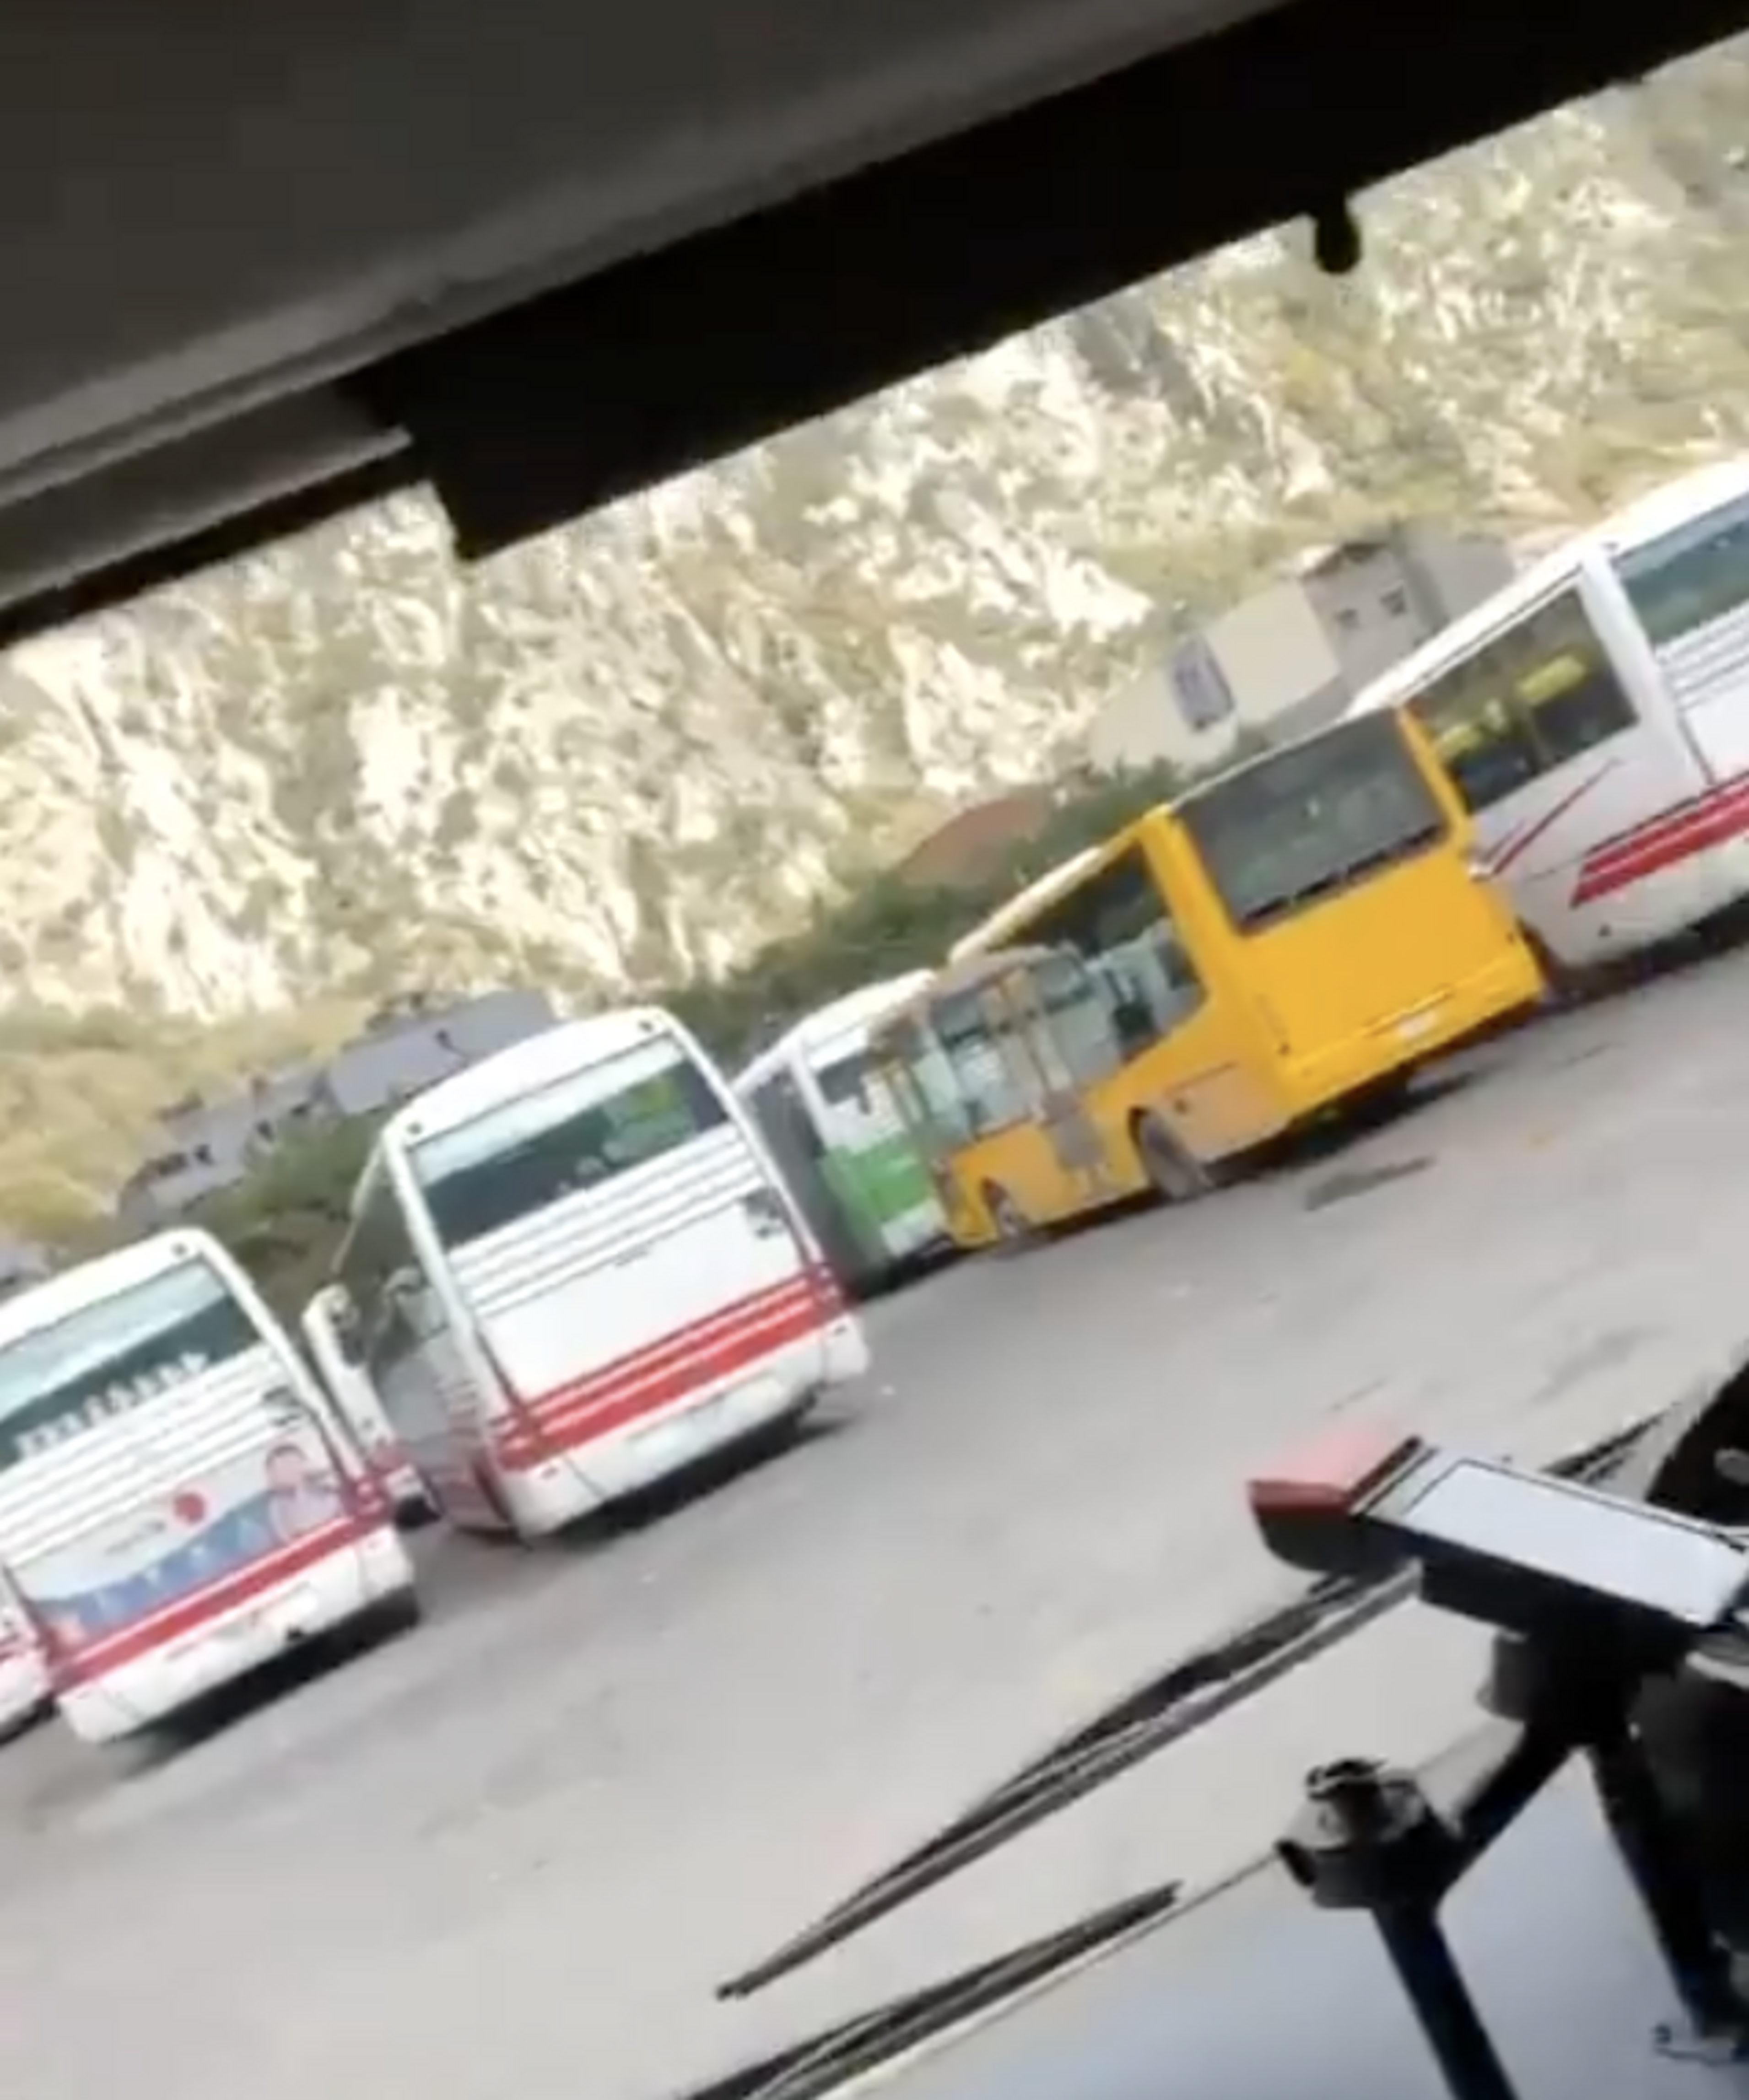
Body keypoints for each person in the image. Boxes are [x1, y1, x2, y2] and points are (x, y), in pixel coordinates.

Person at [263, 1441, 341, 1542]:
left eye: (292, 1466)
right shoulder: (277, 1506)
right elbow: (290, 1541)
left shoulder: (328, 1486)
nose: (289, 1472)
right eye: (283, 1469)